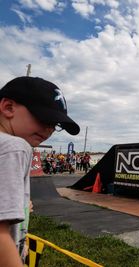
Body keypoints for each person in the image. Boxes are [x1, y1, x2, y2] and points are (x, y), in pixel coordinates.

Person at [0, 76, 80, 266]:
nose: (49, 129)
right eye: (45, 118)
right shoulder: (14, 147)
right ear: (8, 107)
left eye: (56, 124)